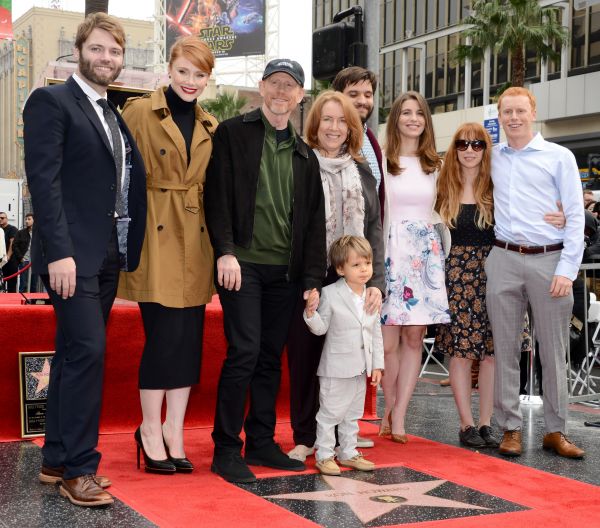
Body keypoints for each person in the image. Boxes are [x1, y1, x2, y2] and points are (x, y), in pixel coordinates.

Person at [23, 13, 147, 506]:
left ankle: (55, 458)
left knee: (76, 353)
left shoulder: (111, 112)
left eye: (115, 52)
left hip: (106, 256)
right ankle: (80, 468)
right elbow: (44, 183)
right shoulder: (51, 102)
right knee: (89, 352)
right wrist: (60, 253)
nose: (107, 59)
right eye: (98, 49)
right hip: (71, 258)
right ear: (80, 50)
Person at [204, 58, 326, 484]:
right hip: (243, 266)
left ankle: (260, 440)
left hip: (286, 274)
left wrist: (311, 280)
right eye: (274, 83)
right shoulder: (234, 133)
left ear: (299, 97)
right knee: (245, 352)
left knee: (271, 358)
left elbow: (313, 223)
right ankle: (225, 447)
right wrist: (225, 251)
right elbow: (216, 196)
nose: (280, 91)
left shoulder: (304, 155)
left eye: (289, 86)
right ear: (261, 87)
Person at [117, 36, 217, 475]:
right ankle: (148, 428)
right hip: (154, 230)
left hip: (196, 236)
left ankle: (174, 431)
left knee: (188, 339)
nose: (190, 81)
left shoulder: (211, 124)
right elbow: (118, 173)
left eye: (199, 74)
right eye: (184, 71)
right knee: (162, 336)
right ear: (169, 68)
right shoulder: (139, 111)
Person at [434, 123, 566, 448]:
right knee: (462, 352)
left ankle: (485, 423)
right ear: (454, 148)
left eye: (477, 144)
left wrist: (565, 216)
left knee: (495, 352)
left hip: (498, 270)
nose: (469, 150)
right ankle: (466, 424)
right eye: (463, 143)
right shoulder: (442, 187)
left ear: (485, 149)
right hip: (457, 277)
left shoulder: (497, 185)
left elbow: (536, 205)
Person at [486, 86, 585, 459]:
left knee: (554, 352)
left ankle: (556, 431)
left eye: (519, 111)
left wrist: (567, 269)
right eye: (506, 112)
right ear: (499, 116)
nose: (513, 118)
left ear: (533, 112)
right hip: (504, 258)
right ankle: (509, 428)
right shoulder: (491, 157)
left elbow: (575, 215)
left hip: (550, 262)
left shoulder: (559, 157)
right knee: (505, 349)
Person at [286, 90, 384, 462]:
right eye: (327, 119)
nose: (334, 127)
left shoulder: (362, 171)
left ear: (352, 127)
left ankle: (345, 439)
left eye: (342, 120)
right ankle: (305, 435)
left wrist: (375, 282)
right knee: (306, 357)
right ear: (315, 123)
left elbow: (374, 227)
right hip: (311, 275)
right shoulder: (300, 162)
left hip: (353, 276)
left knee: (347, 364)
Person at [379, 91, 450, 443]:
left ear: (426, 121)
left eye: (419, 113)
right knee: (388, 343)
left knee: (414, 338)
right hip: (389, 252)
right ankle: (388, 408)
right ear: (396, 119)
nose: (412, 119)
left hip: (423, 256)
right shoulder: (382, 161)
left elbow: (453, 205)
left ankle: (401, 415)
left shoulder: (435, 164)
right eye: (405, 113)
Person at [304, 235, 383, 476]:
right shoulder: (330, 293)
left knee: (352, 414)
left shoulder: (371, 295)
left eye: (367, 263)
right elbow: (321, 328)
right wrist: (310, 313)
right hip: (336, 368)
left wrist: (377, 365)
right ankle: (325, 454)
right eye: (356, 265)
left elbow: (375, 332)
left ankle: (348, 452)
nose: (363, 270)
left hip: (361, 368)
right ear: (340, 268)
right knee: (330, 414)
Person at [332, 67, 384, 195]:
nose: (362, 101)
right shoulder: (329, 139)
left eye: (368, 95)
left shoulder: (371, 141)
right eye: (353, 95)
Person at [12, 213, 37, 293]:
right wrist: (21, 258)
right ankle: (21, 303)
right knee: (23, 284)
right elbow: (14, 246)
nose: (26, 221)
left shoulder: (38, 233)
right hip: (24, 261)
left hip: (35, 262)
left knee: (33, 284)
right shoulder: (20, 232)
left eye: (29, 219)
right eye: (26, 219)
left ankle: (32, 303)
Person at [0, 212, 18, 292]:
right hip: (1, 261)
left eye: (2, 218)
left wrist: (8, 256)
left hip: (11, 260)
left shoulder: (12, 229)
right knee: (1, 284)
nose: (0, 219)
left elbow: (12, 242)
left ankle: (13, 301)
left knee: (11, 284)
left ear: (7, 219)